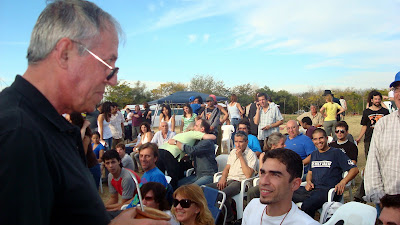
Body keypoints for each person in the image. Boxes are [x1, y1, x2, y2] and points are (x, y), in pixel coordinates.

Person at [1, 1, 167, 224]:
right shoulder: (17, 133)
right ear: (65, 53)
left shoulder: (48, 127)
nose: (114, 80)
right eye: (109, 63)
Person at [293, 128, 359, 218]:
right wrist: (308, 182)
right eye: (315, 139)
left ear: (327, 138)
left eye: (321, 138)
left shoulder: (336, 153)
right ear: (312, 140)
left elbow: (354, 170)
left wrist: (343, 182)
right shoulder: (314, 154)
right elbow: (310, 173)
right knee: (287, 193)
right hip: (313, 189)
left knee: (307, 205)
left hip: (328, 191)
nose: (318, 141)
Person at [243, 149, 319, 225]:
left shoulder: (305, 222)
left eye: (275, 175)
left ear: (295, 184)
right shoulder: (252, 207)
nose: (263, 182)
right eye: (263, 173)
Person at [364, 73, 400, 209]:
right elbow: (373, 163)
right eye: (397, 90)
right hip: (388, 201)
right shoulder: (383, 124)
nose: (399, 94)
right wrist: (380, 199)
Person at [206, 131, 257, 223]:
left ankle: (229, 218)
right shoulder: (233, 152)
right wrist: (223, 178)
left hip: (240, 182)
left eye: (240, 142)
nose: (238, 144)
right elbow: (227, 168)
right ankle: (207, 215)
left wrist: (241, 157)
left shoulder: (251, 155)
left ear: (246, 142)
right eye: (236, 141)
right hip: (229, 179)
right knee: (205, 189)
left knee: (221, 194)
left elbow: (248, 174)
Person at [172, 119, 218, 187]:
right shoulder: (197, 140)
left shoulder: (207, 142)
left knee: (191, 189)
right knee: (178, 185)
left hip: (208, 175)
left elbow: (193, 150)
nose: (194, 128)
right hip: (197, 174)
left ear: (202, 129)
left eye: (196, 126)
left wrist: (176, 143)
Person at [126, 143, 168, 209]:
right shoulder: (146, 173)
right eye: (141, 156)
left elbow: (157, 205)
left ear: (155, 158)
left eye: (147, 156)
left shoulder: (157, 176)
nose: (143, 159)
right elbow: (137, 198)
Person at [247, 132, 286, 202]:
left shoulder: (284, 157)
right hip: (267, 182)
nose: (284, 146)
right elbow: (261, 173)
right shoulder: (264, 156)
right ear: (274, 146)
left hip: (280, 183)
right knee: (252, 192)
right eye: (282, 144)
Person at [68, 112, 101, 190]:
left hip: (90, 168)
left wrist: (84, 126)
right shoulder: (72, 134)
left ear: (75, 121)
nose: (66, 122)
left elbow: (82, 154)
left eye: (69, 120)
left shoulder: (85, 137)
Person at [355, 90, 389, 157]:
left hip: (382, 139)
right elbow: (364, 126)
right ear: (371, 100)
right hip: (369, 138)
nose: (377, 101)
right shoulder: (366, 112)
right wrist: (359, 138)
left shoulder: (385, 111)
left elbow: (388, 126)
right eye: (375, 99)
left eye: (379, 99)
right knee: (369, 158)